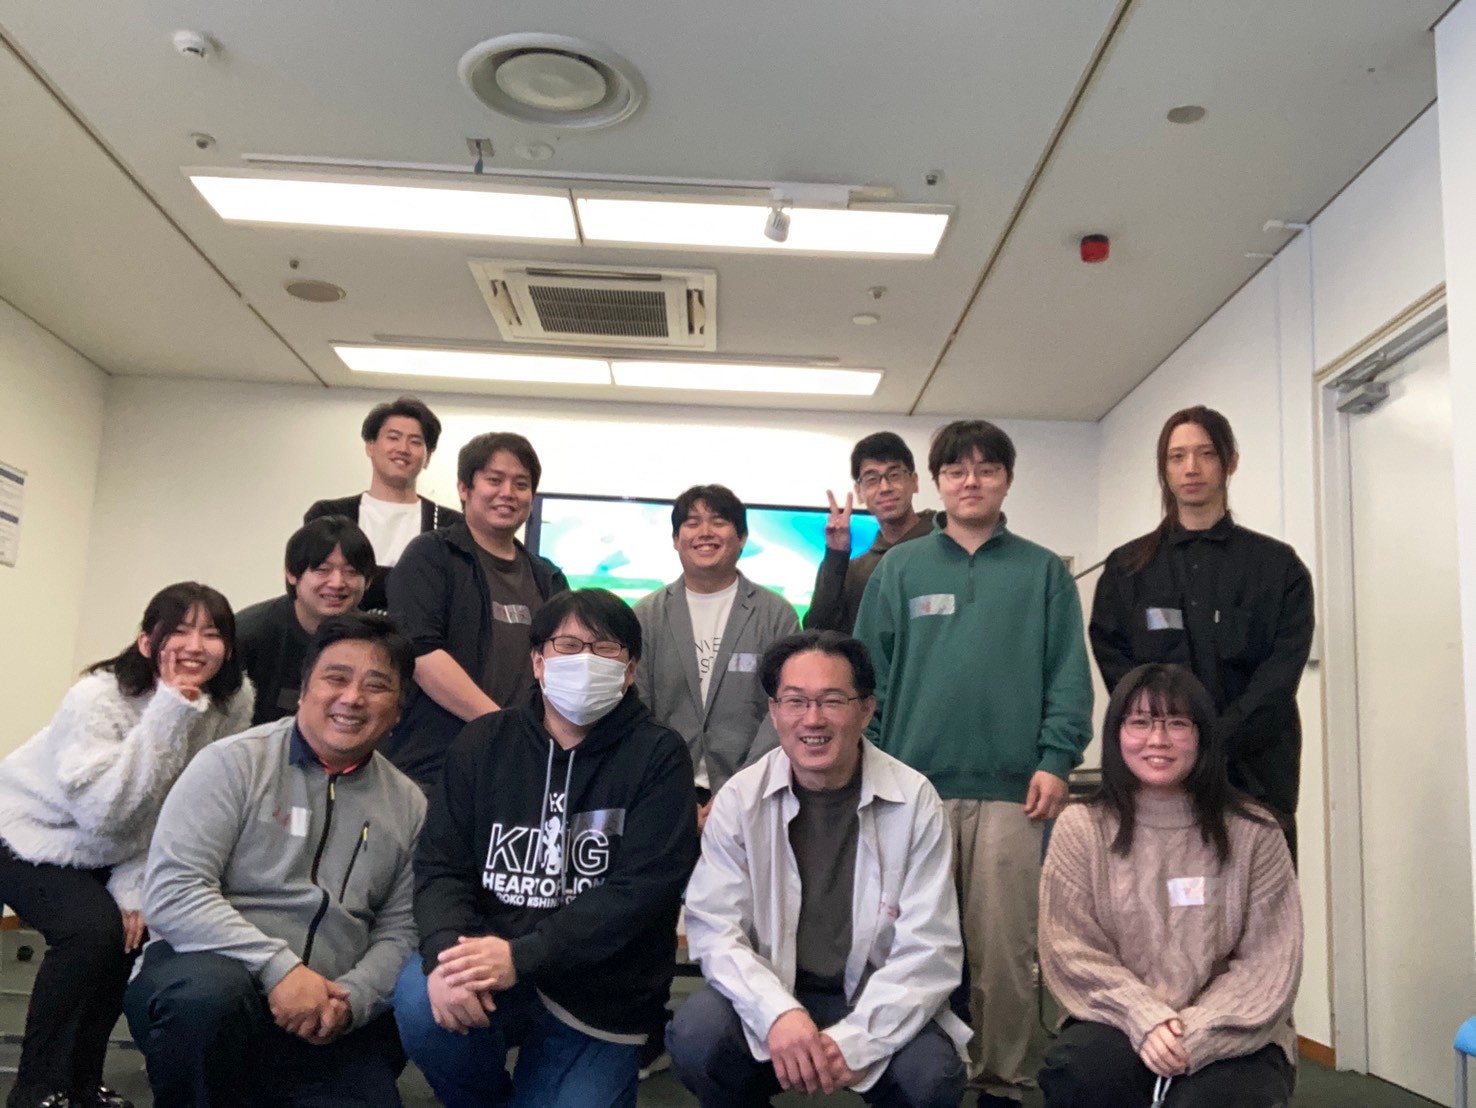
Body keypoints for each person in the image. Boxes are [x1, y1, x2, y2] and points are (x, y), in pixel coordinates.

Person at [853, 419, 1093, 1106]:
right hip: (912, 791)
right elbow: (868, 679)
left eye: (987, 469)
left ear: (1007, 480)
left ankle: (999, 1080)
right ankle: (908, 1069)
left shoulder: (1044, 572)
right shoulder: (900, 569)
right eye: (957, 470)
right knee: (906, 943)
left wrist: (1056, 759)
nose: (971, 481)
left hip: (1014, 791)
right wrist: (872, 768)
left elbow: (1068, 674)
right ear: (937, 482)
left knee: (1004, 951)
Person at [394, 588, 700, 1108]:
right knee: (423, 1002)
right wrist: (447, 956)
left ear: (629, 671)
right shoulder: (483, 743)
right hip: (491, 961)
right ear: (538, 662)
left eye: (605, 649)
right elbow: (442, 866)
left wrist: (523, 954)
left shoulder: (659, 755)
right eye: (568, 645)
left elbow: (642, 891)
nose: (585, 660)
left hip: (601, 991)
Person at [124, 613, 426, 1108]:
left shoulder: (409, 804)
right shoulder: (233, 763)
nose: (352, 698)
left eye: (376, 686)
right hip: (218, 985)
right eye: (336, 678)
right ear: (304, 690)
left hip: (328, 1010)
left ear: (397, 710)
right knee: (205, 999)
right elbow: (173, 892)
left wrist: (351, 1001)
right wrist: (279, 970)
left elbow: (401, 930)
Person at [670, 630, 970, 1108]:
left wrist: (853, 1041)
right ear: (774, 712)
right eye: (795, 701)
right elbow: (716, 930)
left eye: (832, 701)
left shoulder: (915, 801)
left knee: (930, 1076)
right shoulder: (740, 799)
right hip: (773, 988)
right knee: (697, 1036)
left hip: (873, 995)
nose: (813, 719)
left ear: (866, 710)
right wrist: (777, 1015)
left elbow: (929, 949)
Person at [0, 583, 251, 1108]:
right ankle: (35, 1087)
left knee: (128, 939)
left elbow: (186, 806)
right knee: (91, 933)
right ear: (146, 641)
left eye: (211, 633)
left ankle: (82, 1082)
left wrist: (135, 886)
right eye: (179, 631)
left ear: (227, 647)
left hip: (117, 849)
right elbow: (106, 814)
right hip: (29, 831)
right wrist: (170, 711)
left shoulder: (231, 704)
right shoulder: (97, 697)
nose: (195, 645)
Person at [1036, 663, 1302, 1107]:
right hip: (1116, 1018)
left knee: (1214, 1098)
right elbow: (1070, 948)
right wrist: (1144, 1017)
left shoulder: (1256, 832)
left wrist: (1198, 1031)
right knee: (1082, 1071)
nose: (1157, 740)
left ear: (1202, 736)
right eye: (1140, 722)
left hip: (1233, 1025)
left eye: (1177, 724)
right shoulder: (1080, 828)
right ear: (1116, 734)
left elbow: (1269, 961)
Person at [1088, 405, 1313, 860]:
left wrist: (1210, 742)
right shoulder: (1127, 569)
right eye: (1177, 457)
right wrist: (1171, 739)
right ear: (1164, 468)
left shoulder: (1277, 567)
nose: (1191, 468)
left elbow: (1277, 678)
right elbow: (1121, 670)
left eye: (1206, 454)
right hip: (1157, 781)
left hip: (1255, 780)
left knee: (1259, 901)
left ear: (1231, 462)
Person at [386, 431, 568, 790]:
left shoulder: (548, 578)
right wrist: (502, 727)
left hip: (522, 768)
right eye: (494, 480)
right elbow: (421, 653)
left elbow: (562, 666)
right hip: (436, 765)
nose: (508, 493)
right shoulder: (431, 556)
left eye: (521, 484)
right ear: (464, 488)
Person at [634, 484, 800, 822]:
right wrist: (673, 794)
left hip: (756, 794)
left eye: (719, 522)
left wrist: (740, 789)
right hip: (662, 793)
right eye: (692, 523)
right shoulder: (646, 615)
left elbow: (785, 706)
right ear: (676, 539)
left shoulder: (776, 615)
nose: (705, 532)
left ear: (742, 537)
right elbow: (638, 709)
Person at [305, 395, 463, 611]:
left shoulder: (452, 525)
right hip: (340, 630)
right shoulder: (328, 515)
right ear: (370, 446)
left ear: (428, 457)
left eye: (415, 442)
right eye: (393, 437)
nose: (403, 449)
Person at [235, 515, 375, 725]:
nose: (337, 583)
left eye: (351, 572)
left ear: (369, 580)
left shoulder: (377, 641)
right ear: (292, 574)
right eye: (322, 570)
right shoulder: (249, 633)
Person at [805, 432, 935, 634]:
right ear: (859, 492)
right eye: (871, 479)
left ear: (914, 481)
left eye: (894, 475)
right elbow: (819, 630)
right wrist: (836, 555)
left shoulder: (945, 542)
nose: (885, 488)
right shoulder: (857, 571)